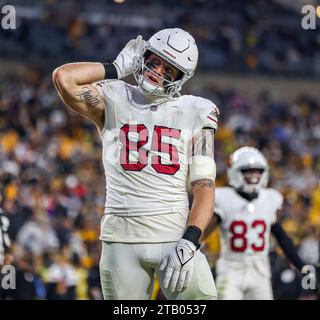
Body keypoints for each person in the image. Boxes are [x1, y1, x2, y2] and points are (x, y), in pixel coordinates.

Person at [53, 28, 220, 300]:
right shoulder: (116, 95)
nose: (157, 71)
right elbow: (64, 78)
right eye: (154, 61)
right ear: (143, 57)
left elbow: (204, 187)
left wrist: (190, 241)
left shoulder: (196, 110)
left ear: (182, 78)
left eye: (169, 69)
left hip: (173, 236)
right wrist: (116, 68)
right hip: (121, 238)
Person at [202, 146, 320, 300]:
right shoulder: (224, 198)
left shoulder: (269, 199)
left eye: (257, 171)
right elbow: (203, 233)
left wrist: (303, 266)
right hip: (231, 269)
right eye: (248, 171)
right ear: (236, 172)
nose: (253, 175)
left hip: (260, 271)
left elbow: (283, 239)